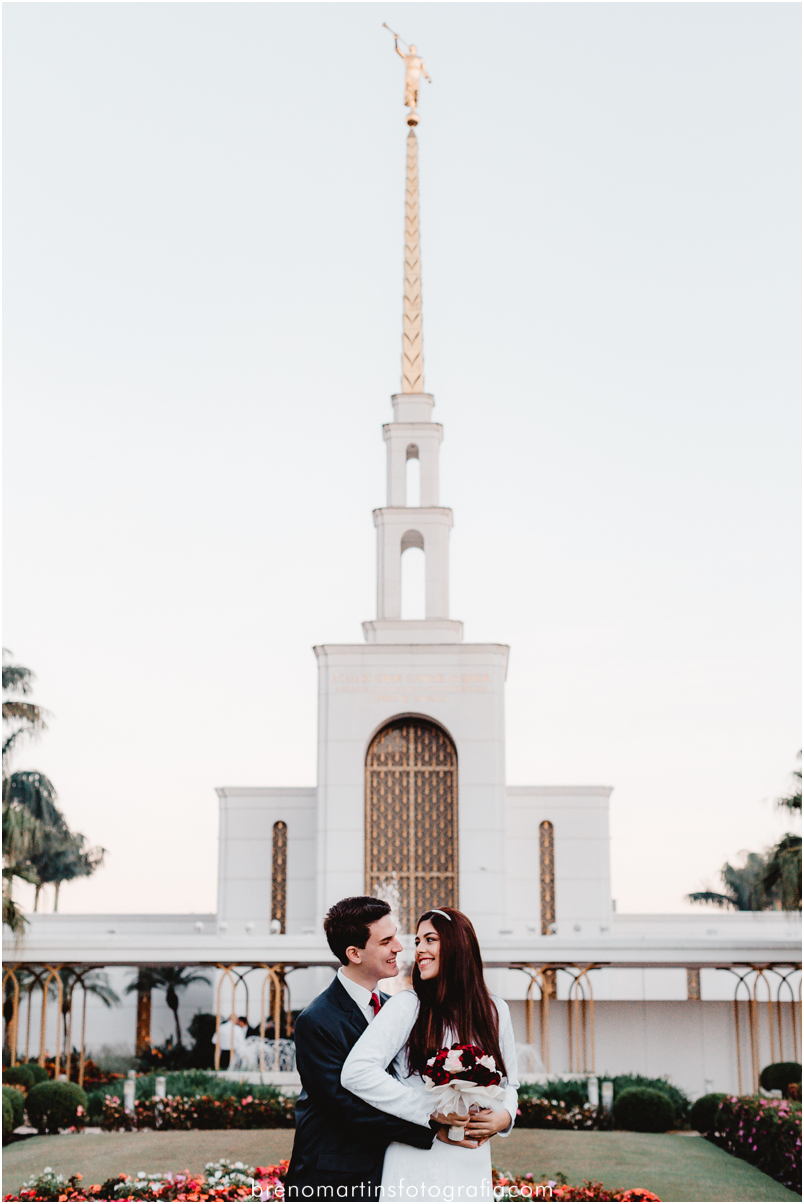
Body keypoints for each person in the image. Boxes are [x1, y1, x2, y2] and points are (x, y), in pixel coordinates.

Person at [285, 897, 459, 1202]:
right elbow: (343, 1106)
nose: (400, 948)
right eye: (386, 941)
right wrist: (429, 1127)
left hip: (390, 1171)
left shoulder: (395, 1009)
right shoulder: (316, 1020)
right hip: (333, 1178)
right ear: (354, 953)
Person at [341, 907, 519, 1202]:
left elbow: (509, 1083)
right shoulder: (406, 1005)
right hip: (418, 1157)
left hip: (471, 1160)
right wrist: (430, 1112)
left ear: (457, 944)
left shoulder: (495, 1010)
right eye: (418, 942)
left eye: (430, 940)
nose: (420, 950)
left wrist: (504, 1116)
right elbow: (357, 1072)